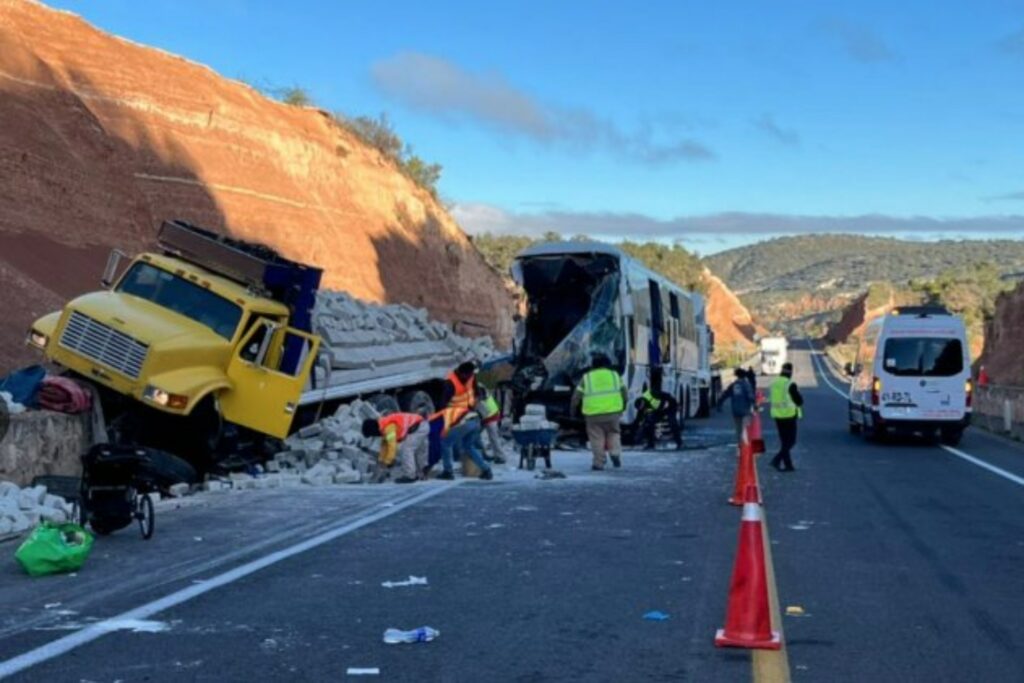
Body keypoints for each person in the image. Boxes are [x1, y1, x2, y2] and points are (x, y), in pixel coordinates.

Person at [571, 353, 628, 470]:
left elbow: (576, 397)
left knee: (596, 438)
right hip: (613, 413)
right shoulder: (614, 375)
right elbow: (624, 393)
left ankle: (598, 463)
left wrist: (573, 410)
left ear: (593, 365)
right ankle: (615, 453)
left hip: (592, 414)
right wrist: (623, 406)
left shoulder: (586, 378)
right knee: (614, 433)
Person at [362, 413, 428, 484]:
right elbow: (384, 446)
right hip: (418, 426)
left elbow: (392, 447)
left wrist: (387, 462)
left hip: (419, 426)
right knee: (415, 452)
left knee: (406, 449)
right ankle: (421, 474)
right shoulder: (383, 426)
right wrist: (381, 461)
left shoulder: (388, 428)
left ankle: (410, 476)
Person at [437, 406, 493, 480]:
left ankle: (448, 471)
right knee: (468, 447)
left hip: (465, 422)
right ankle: (486, 470)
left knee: (446, 443)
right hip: (476, 421)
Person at [769, 362, 803, 472]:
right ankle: (776, 459)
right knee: (791, 441)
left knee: (784, 442)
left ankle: (788, 465)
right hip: (789, 415)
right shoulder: (790, 384)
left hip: (778, 416)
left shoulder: (774, 384)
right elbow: (799, 401)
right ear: (790, 372)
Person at [719, 368, 756, 443]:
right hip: (745, 411)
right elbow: (750, 396)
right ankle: (745, 446)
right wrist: (754, 405)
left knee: (738, 430)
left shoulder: (733, 385)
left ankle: (739, 445)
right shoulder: (746, 385)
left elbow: (725, 394)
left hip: (735, 410)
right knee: (746, 429)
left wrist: (720, 404)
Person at [474, 386, 507, 464]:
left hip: (490, 416)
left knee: (493, 437)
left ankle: (500, 456)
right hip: (487, 415)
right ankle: (482, 454)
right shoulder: (478, 386)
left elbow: (480, 399)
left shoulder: (478, 388)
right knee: (475, 436)